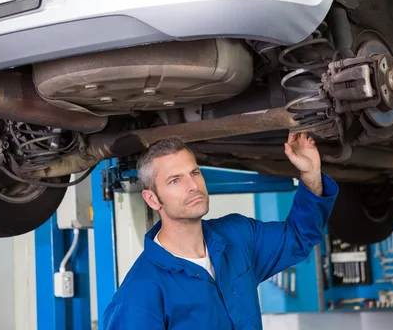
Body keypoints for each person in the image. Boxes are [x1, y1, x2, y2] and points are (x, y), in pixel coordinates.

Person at [103, 133, 338, 329]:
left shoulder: (238, 236)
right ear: (152, 199)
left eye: (194, 173)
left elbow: (299, 237)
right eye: (175, 180)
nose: (193, 186)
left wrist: (310, 174)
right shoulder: (138, 297)